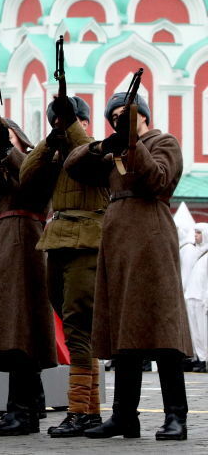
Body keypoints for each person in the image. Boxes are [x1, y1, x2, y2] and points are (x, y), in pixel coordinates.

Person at [66, 92, 191, 441]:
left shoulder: (163, 141)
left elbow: (159, 181)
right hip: (117, 241)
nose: (121, 118)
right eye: (115, 115)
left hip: (151, 235)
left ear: (144, 116)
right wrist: (106, 144)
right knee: (123, 332)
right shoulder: (114, 149)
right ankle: (124, 416)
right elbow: (75, 166)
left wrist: (136, 144)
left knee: (161, 327)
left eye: (127, 113)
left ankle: (176, 416)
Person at [0, 119, 57, 436]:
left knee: (20, 329)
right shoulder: (2, 165)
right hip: (3, 245)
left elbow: (35, 186)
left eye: (4, 138)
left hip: (24, 243)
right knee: (13, 330)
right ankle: (27, 405)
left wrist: (9, 155)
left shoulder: (38, 160)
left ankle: (22, 410)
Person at [31, 96, 107, 437]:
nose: (62, 127)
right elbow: (27, 174)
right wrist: (49, 142)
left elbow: (89, 155)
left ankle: (78, 411)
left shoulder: (97, 148)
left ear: (84, 123)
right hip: (57, 238)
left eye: (68, 121)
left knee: (79, 324)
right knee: (73, 324)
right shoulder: (58, 152)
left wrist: (70, 126)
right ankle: (89, 411)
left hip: (87, 240)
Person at [185, 225, 208, 372]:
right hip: (192, 296)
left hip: (202, 299)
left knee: (204, 331)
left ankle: (205, 359)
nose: (196, 236)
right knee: (196, 333)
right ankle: (200, 358)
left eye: (199, 233)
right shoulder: (196, 253)